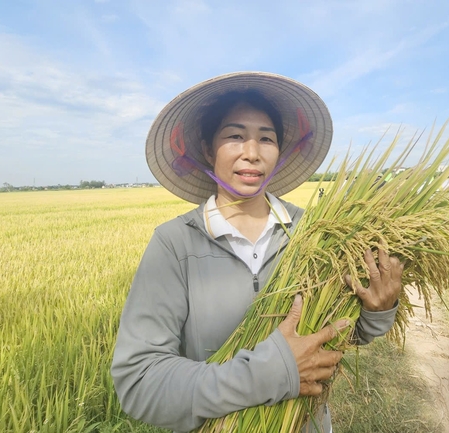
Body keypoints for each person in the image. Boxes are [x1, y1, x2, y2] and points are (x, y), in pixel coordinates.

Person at [111, 72, 404, 433]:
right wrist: (273, 372)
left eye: (266, 138)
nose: (251, 153)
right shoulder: (174, 244)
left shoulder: (315, 232)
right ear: (207, 149)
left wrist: (378, 310)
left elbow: (335, 333)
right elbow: (140, 382)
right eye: (234, 136)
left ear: (279, 151)